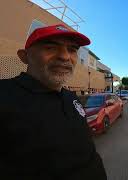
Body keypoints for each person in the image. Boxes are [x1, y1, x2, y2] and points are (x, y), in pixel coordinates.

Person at [0, 24, 107, 179]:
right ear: (24, 56)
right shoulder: (4, 95)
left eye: (72, 49)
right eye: (50, 47)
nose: (65, 56)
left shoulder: (71, 98)